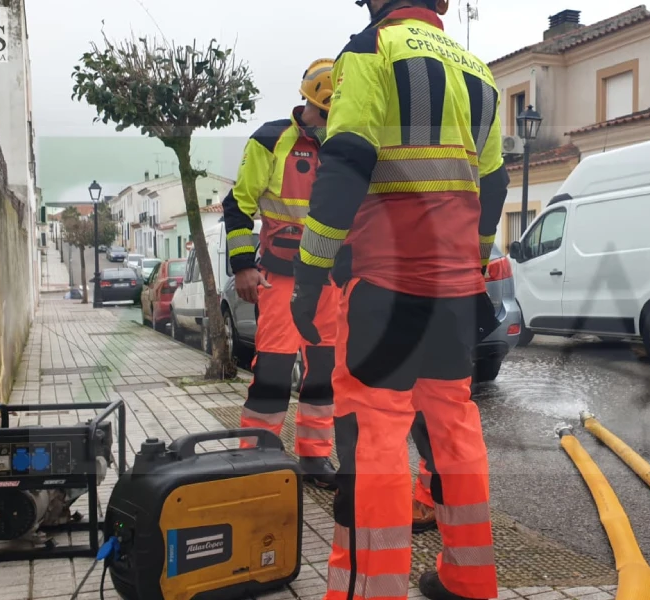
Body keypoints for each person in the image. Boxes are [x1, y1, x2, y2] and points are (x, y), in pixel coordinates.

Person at [289, 0, 509, 598]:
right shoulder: (478, 71)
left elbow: (347, 165)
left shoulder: (371, 50)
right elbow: (492, 185)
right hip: (455, 293)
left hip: (385, 286)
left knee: (374, 436)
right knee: (454, 431)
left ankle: (369, 589)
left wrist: (310, 277)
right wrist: (470, 263)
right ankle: (469, 578)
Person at [223, 59, 340, 489]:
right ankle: (257, 458)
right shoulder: (271, 140)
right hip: (282, 277)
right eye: (327, 114)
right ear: (314, 104)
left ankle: (314, 458)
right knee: (273, 368)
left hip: (330, 279)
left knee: (323, 372)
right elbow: (238, 205)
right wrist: (243, 267)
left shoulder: (347, 145)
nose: (331, 122)